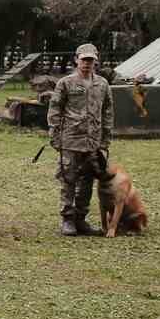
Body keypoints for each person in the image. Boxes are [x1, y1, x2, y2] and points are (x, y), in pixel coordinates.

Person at [48, 42, 113, 236]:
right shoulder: (65, 83)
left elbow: (108, 111)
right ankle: (67, 219)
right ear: (76, 60)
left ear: (96, 61)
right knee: (69, 179)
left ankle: (80, 218)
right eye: (83, 59)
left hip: (93, 140)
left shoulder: (102, 84)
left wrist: (106, 138)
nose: (87, 63)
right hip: (70, 139)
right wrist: (54, 135)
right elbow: (55, 110)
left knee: (87, 180)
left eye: (90, 60)